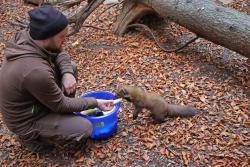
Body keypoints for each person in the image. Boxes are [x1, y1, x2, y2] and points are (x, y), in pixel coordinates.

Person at [0, 4, 114, 152]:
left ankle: (61, 118)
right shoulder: (35, 71)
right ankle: (32, 139)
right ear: (47, 37)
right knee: (84, 127)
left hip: (37, 102)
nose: (65, 40)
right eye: (62, 37)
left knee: (70, 67)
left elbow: (58, 51)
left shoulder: (32, 36)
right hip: (28, 121)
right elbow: (60, 104)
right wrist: (96, 103)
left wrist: (67, 73)